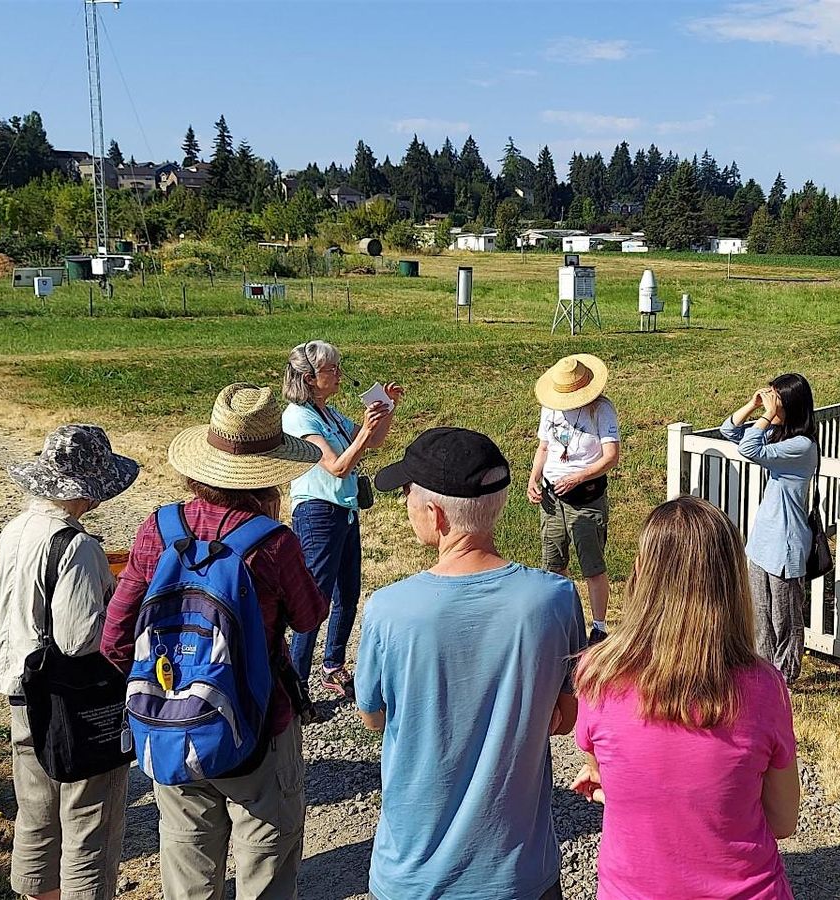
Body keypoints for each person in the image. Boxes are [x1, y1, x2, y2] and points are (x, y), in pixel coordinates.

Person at [103, 383, 328, 900]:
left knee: (187, 861)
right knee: (266, 857)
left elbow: (116, 635)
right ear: (270, 473)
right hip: (259, 720)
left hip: (169, 724)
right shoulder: (273, 542)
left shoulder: (156, 529)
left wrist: (161, 692)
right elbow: (311, 613)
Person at [356, 427, 586, 900]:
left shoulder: (388, 608)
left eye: (406, 495)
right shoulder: (556, 599)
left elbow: (373, 715)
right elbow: (564, 721)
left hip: (411, 875)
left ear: (435, 515)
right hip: (518, 873)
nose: (405, 505)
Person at [571, 496, 800, 900]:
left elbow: (614, 777)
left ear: (640, 575)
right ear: (731, 583)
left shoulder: (597, 674)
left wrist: (611, 790)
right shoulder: (765, 687)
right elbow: (783, 820)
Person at [0, 425, 139, 900]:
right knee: (88, 815)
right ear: (89, 494)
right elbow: (79, 640)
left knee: (35, 807)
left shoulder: (13, 531)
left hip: (20, 688)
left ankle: (37, 893)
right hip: (70, 700)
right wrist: (116, 599)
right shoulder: (76, 546)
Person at [281, 339, 402, 703]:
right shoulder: (298, 417)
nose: (337, 374)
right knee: (314, 600)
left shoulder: (328, 413)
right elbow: (337, 466)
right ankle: (296, 681)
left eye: (336, 367)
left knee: (348, 593)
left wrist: (387, 410)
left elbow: (373, 443)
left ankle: (332, 664)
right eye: (330, 369)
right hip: (317, 513)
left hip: (343, 511)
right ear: (308, 377)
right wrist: (364, 431)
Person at [721, 374, 818, 683]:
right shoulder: (777, 434)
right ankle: (763, 674)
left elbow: (748, 449)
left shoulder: (801, 446)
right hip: (763, 541)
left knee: (785, 617)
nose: (770, 404)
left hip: (786, 544)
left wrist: (765, 416)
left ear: (791, 405)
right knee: (760, 613)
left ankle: (785, 677)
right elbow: (730, 431)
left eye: (777, 400)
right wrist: (753, 405)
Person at [528, 353, 620, 645]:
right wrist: (534, 476)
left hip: (586, 498)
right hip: (552, 496)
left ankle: (599, 627)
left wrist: (579, 477)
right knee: (554, 562)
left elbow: (611, 457)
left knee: (592, 564)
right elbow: (544, 447)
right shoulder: (549, 408)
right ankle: (566, 618)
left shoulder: (601, 410)